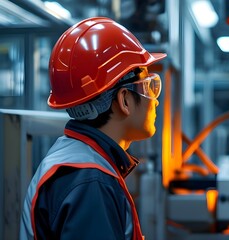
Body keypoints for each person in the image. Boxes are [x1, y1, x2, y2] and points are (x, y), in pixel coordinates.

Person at [20, 17, 166, 240]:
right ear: (125, 100)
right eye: (149, 86)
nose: (155, 101)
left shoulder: (79, 162)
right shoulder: (90, 182)